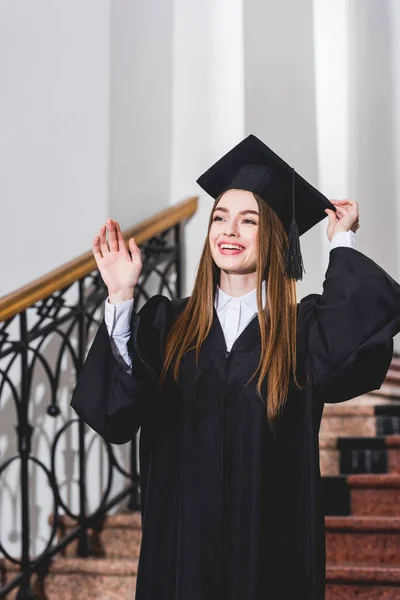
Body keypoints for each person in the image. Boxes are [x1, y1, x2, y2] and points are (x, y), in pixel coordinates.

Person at [71, 134, 400, 600]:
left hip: (271, 553)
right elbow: (116, 413)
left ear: (278, 235)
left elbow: (356, 344)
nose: (229, 231)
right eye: (220, 218)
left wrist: (342, 241)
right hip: (182, 551)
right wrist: (122, 297)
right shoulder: (170, 325)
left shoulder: (300, 330)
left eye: (249, 221)